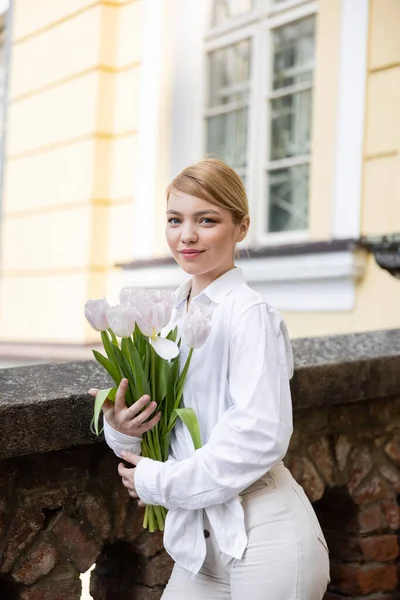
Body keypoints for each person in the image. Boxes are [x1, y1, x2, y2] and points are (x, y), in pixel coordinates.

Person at [89, 159, 330, 599]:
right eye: (175, 219)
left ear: (241, 228)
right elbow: (165, 432)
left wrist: (160, 483)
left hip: (265, 538)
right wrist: (122, 429)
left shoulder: (249, 314)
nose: (188, 235)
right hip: (198, 548)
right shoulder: (164, 317)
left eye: (207, 220)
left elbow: (259, 434)